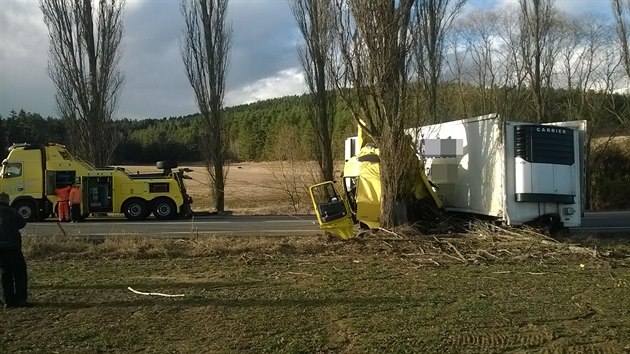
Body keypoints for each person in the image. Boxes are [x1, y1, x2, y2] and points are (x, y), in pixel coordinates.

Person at [0, 192, 31, 308]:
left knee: (4, 273)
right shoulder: (12, 212)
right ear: (7, 201)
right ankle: (20, 299)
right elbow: (22, 223)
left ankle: (7, 300)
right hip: (12, 247)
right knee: (19, 273)